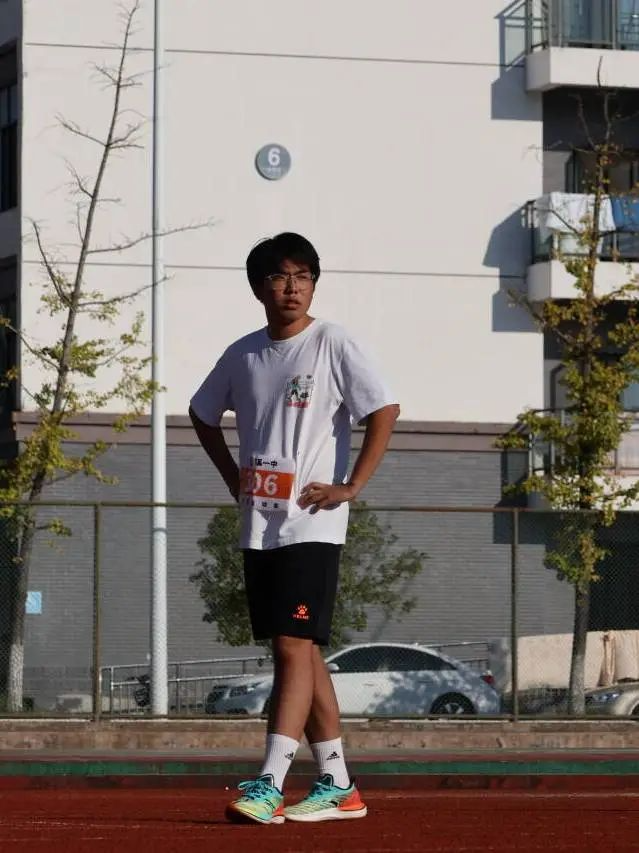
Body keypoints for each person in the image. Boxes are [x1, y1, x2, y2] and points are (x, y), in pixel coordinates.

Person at [189, 232, 399, 825]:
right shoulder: (243, 355)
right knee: (302, 651)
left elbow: (384, 409)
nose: (292, 287)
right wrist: (232, 475)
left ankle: (270, 782)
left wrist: (350, 486)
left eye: (302, 276)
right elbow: (202, 414)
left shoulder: (332, 342)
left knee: (291, 647)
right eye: (280, 277)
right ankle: (338, 783)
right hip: (260, 525)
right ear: (259, 288)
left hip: (314, 523)